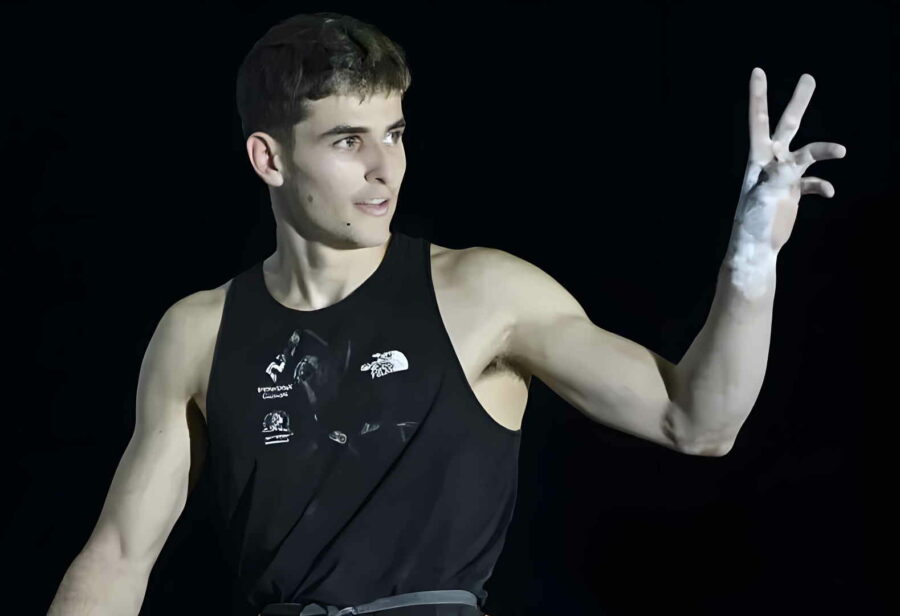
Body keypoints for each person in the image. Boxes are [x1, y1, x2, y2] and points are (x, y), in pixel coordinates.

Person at [50, 9, 843, 616]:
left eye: (394, 133)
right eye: (348, 141)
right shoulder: (199, 331)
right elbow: (118, 557)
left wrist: (753, 259)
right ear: (270, 157)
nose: (384, 168)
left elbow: (697, 421)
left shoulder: (484, 293)